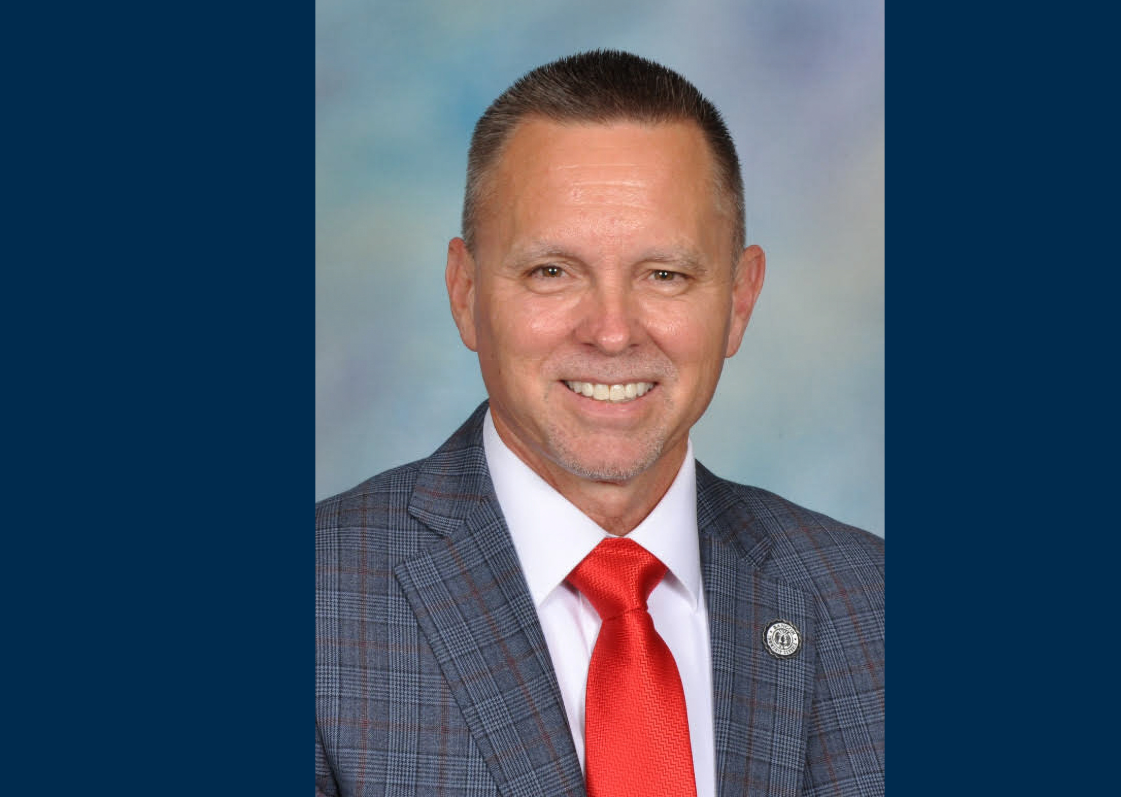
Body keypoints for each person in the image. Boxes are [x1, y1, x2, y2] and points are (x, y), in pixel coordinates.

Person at [316, 49, 883, 797]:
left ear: (740, 300)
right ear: (465, 292)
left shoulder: (873, 603)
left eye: (665, 274)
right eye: (552, 271)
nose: (612, 332)